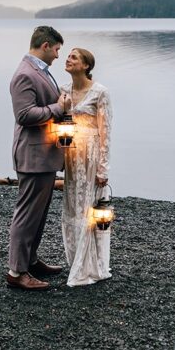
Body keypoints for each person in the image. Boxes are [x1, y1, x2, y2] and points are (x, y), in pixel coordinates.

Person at [6, 25, 72, 290]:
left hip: (44, 155)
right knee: (26, 215)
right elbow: (23, 115)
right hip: (32, 156)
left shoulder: (40, 71)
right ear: (45, 45)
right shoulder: (24, 75)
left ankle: (31, 260)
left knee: (39, 214)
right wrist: (58, 108)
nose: (58, 55)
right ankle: (16, 272)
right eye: (56, 49)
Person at [60, 47, 113, 286]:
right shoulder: (63, 90)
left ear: (86, 66)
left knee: (88, 208)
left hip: (91, 155)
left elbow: (106, 132)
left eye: (74, 57)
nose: (68, 60)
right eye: (68, 56)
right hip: (71, 155)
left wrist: (103, 169)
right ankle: (75, 261)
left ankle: (89, 265)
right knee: (72, 207)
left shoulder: (100, 92)